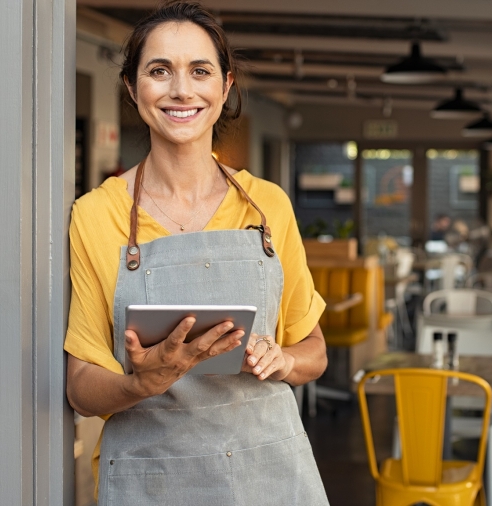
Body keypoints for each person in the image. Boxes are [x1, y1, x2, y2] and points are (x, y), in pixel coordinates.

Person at [63, 3, 329, 504]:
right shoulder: (96, 215)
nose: (181, 90)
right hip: (151, 477)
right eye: (159, 71)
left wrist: (283, 360)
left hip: (267, 472)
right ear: (131, 87)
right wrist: (143, 381)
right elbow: (80, 385)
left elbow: (313, 350)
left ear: (224, 88)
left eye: (200, 71)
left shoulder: (268, 206)